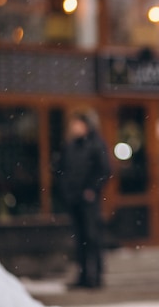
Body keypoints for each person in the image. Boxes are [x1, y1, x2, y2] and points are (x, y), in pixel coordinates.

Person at [56, 110, 112, 289]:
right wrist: (66, 190)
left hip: (89, 201)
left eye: (78, 124)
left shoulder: (96, 144)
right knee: (79, 239)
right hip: (74, 200)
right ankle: (83, 276)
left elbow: (104, 170)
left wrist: (91, 189)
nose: (75, 128)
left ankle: (95, 277)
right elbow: (62, 170)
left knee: (92, 238)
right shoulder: (70, 146)